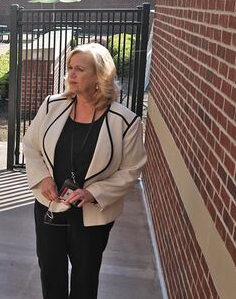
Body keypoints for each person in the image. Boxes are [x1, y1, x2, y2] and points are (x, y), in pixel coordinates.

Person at [23, 43, 146, 299]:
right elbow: (31, 146)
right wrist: (43, 178)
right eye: (70, 68)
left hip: (92, 214)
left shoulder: (125, 122)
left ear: (100, 75)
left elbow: (131, 170)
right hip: (51, 205)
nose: (71, 75)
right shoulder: (51, 106)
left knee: (85, 276)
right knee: (50, 271)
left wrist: (94, 193)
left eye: (80, 69)